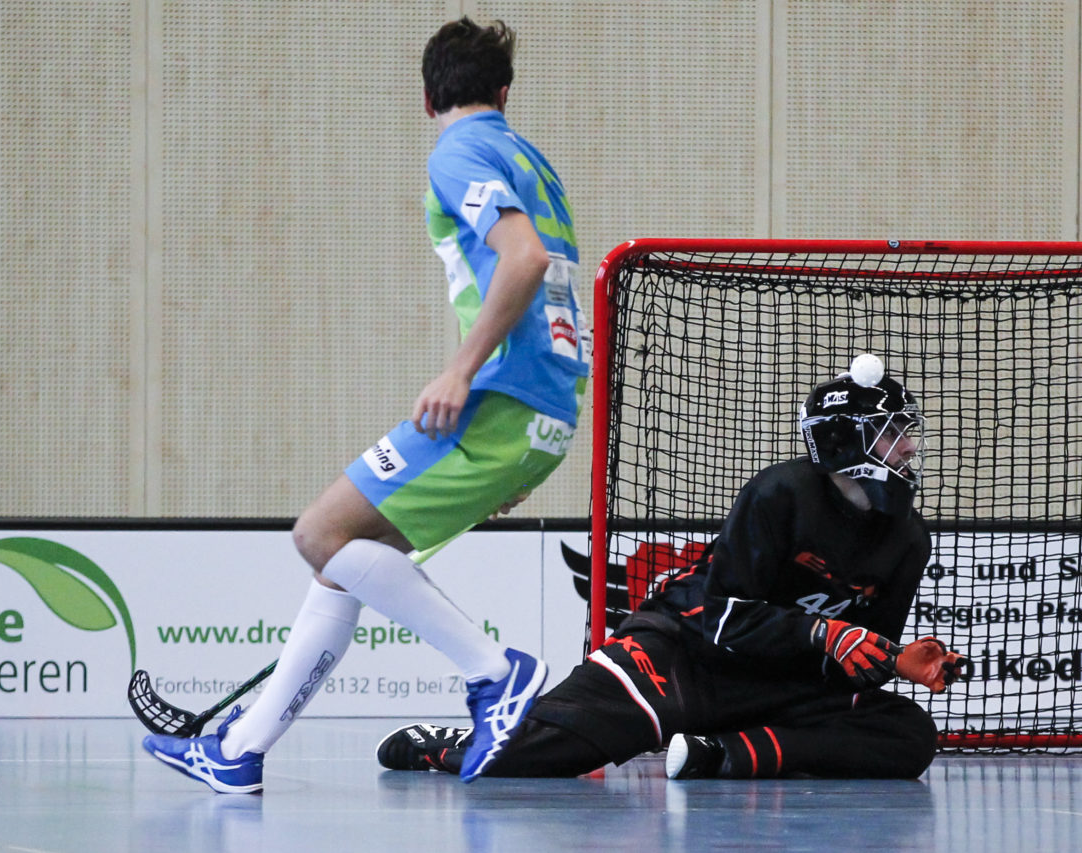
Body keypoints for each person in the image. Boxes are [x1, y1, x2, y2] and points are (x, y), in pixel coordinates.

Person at [143, 17, 588, 792]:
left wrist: (458, 371)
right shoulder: (532, 162)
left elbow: (524, 261)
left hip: (502, 399)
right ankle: (239, 749)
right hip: (543, 407)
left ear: (426, 99)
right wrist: (530, 444)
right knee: (342, 562)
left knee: (319, 533)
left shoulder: (458, 151)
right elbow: (556, 285)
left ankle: (495, 672)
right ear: (504, 92)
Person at [376, 355, 965, 781]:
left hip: (783, 688)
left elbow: (860, 654)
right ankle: (452, 743)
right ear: (845, 440)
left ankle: (721, 754)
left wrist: (897, 662)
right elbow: (725, 618)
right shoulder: (780, 495)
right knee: (529, 758)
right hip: (683, 655)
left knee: (908, 736)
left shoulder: (909, 539)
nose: (909, 447)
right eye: (893, 432)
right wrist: (824, 632)